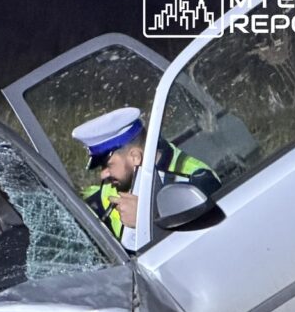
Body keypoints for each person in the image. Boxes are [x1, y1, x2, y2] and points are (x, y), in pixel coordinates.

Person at [71, 106, 219, 250]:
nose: (103, 175)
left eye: (107, 165)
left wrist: (147, 220)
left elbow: (208, 245)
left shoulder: (196, 180)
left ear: (135, 157)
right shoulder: (112, 186)